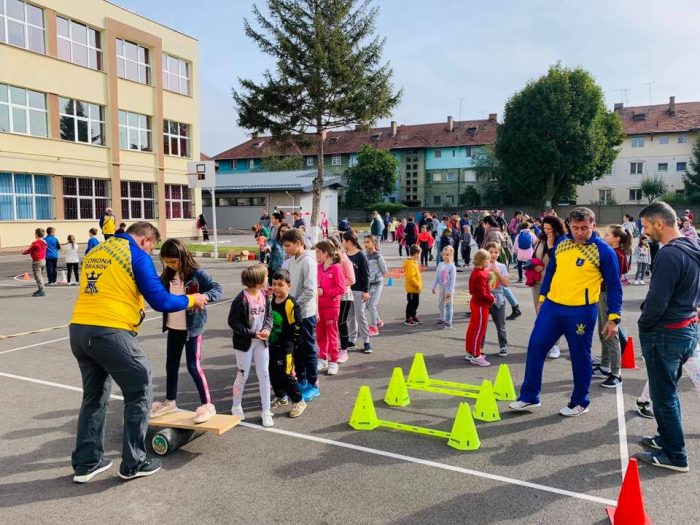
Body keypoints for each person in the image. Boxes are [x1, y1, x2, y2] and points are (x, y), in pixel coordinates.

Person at [70, 222, 209, 483]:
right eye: (152, 247)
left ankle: (86, 463)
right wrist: (192, 299)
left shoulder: (97, 250)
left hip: (79, 330)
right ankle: (134, 462)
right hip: (110, 331)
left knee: (94, 396)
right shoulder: (136, 254)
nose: (151, 252)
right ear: (146, 240)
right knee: (141, 385)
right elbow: (161, 300)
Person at [509, 207, 622, 417]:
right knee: (536, 347)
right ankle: (529, 396)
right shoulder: (562, 243)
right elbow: (551, 272)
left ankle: (580, 401)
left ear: (594, 225)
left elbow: (615, 286)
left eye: (585, 228)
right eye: (576, 227)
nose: (580, 232)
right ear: (569, 225)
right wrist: (542, 297)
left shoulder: (604, 251)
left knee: (580, 356)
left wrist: (614, 318)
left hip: (581, 311)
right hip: (552, 307)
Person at [634, 202, 700, 473]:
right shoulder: (693, 246)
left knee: (663, 396)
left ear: (659, 223)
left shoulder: (669, 254)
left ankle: (676, 455)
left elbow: (657, 301)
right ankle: (666, 439)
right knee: (667, 392)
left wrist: (644, 324)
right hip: (687, 329)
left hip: (667, 332)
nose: (644, 232)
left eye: (646, 226)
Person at [150, 239, 223, 424]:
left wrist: (204, 296)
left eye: (173, 261)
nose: (170, 265)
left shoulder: (197, 274)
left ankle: (208, 404)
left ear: (183, 257)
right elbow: (157, 293)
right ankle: (170, 401)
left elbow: (217, 288)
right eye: (166, 262)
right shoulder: (167, 276)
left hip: (192, 329)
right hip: (174, 328)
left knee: (193, 367)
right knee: (171, 365)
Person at [228, 264, 274, 428]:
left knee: (264, 374)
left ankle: (266, 410)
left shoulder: (264, 294)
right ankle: (236, 406)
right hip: (245, 343)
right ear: (258, 281)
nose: (268, 279)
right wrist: (253, 334)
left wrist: (267, 328)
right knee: (243, 375)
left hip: (261, 342)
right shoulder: (241, 299)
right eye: (266, 276)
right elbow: (233, 322)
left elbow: (269, 315)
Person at [282, 228, 320, 401]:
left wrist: (294, 305)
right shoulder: (292, 261)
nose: (286, 249)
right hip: (293, 312)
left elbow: (310, 290)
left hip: (304, 313)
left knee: (308, 349)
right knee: (297, 349)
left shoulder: (308, 261)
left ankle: (314, 384)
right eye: (284, 246)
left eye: (288, 245)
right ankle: (302, 380)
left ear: (299, 243)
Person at [592, 225, 632, 388]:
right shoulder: (615, 252)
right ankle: (604, 365)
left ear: (617, 239)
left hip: (608, 295)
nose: (604, 237)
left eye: (607, 235)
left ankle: (616, 373)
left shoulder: (615, 254)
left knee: (610, 334)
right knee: (603, 332)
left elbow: (611, 277)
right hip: (602, 294)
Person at [268, 270, 306, 418]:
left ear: (289, 285)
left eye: (280, 285)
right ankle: (281, 396)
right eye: (274, 284)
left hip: (286, 346)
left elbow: (297, 325)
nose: (276, 288)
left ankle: (299, 401)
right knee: (272, 372)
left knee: (286, 373)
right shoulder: (272, 299)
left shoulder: (290, 303)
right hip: (273, 343)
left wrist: (292, 345)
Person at [529, 215, 567, 359]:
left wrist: (551, 247)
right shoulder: (540, 239)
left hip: (553, 284)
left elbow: (559, 262)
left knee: (553, 316)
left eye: (550, 229)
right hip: (538, 282)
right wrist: (534, 265)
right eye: (544, 228)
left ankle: (554, 344)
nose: (547, 231)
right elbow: (534, 257)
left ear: (557, 228)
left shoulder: (563, 241)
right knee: (540, 315)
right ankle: (546, 343)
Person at [315, 240, 347, 375]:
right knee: (320, 333)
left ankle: (333, 360)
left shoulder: (337, 268)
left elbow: (342, 288)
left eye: (318, 252)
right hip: (318, 306)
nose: (316, 254)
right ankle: (322, 358)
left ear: (326, 253)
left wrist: (325, 292)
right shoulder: (318, 267)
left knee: (331, 333)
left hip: (331, 306)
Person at [343, 231, 372, 354]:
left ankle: (366, 341)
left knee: (360, 315)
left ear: (349, 241)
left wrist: (366, 291)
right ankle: (352, 339)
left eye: (343, 240)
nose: (342, 243)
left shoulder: (361, 256)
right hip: (347, 290)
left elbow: (366, 275)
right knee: (350, 316)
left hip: (359, 290)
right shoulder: (344, 255)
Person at [465, 249, 495, 366]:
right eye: (488, 260)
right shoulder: (480, 275)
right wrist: (492, 298)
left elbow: (472, 290)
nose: (489, 262)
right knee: (479, 330)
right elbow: (482, 294)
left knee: (473, 328)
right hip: (481, 305)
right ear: (484, 261)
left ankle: (471, 351)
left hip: (476, 303)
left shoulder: (476, 272)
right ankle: (476, 355)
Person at [329, 236, 355, 365]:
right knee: (331, 323)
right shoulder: (329, 259)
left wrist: (337, 285)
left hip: (344, 295)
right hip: (331, 296)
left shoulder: (343, 259)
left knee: (341, 322)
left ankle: (344, 351)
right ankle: (333, 348)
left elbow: (351, 279)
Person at [486, 242, 510, 357]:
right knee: (482, 325)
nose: (493, 254)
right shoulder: (483, 266)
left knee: (500, 325)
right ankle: (479, 348)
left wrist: (496, 271)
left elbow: (506, 283)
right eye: (491, 252)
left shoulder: (501, 266)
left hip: (498, 299)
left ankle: (503, 345)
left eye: (496, 252)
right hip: (485, 298)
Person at [364, 235, 388, 336]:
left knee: (372, 305)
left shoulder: (378, 256)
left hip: (377, 283)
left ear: (374, 243)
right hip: (368, 284)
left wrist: (377, 275)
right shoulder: (365, 255)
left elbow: (384, 271)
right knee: (368, 305)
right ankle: (378, 321)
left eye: (368, 242)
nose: (366, 244)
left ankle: (374, 327)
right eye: (365, 242)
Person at [432, 245, 456, 328]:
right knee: (441, 304)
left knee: (448, 305)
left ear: (451, 255)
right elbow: (437, 276)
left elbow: (453, 280)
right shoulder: (440, 264)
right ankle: (442, 319)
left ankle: (448, 321)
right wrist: (433, 286)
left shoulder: (452, 266)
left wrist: (450, 291)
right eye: (444, 254)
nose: (445, 256)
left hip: (448, 288)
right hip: (442, 287)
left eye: (447, 255)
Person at [21, 228, 47, 297]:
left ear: (36, 235)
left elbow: (29, 250)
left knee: (38, 276)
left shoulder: (35, 243)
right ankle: (41, 289)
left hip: (37, 261)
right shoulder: (44, 242)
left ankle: (41, 290)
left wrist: (23, 252)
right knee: (40, 275)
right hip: (43, 260)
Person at [403, 245, 423, 326]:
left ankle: (413, 316)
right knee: (411, 304)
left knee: (416, 303)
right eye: (419, 254)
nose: (420, 256)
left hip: (415, 289)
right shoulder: (411, 264)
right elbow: (410, 278)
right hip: (412, 288)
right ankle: (408, 318)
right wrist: (417, 285)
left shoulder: (414, 263)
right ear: (416, 254)